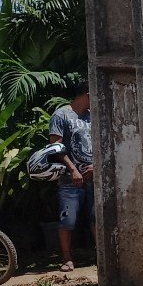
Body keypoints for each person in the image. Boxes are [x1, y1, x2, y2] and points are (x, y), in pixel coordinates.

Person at [48, 81, 94, 272]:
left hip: (93, 176)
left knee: (97, 218)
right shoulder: (61, 115)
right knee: (68, 219)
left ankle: (103, 255)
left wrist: (96, 166)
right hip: (69, 178)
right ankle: (67, 258)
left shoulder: (93, 117)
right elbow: (55, 147)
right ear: (88, 94)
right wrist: (73, 169)